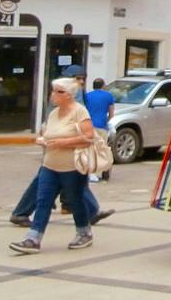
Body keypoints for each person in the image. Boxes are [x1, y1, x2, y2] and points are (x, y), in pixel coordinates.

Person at [10, 77, 96, 255]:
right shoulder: (53, 113)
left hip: (72, 167)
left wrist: (62, 143)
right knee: (43, 201)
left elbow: (88, 138)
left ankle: (84, 232)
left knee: (75, 200)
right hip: (49, 165)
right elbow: (47, 134)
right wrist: (43, 141)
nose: (54, 94)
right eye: (53, 90)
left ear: (70, 96)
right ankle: (33, 239)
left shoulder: (80, 112)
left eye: (59, 91)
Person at [84, 77, 115, 182]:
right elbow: (111, 113)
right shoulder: (108, 96)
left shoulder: (87, 96)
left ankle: (89, 172)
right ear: (103, 85)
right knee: (101, 151)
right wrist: (106, 121)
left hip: (88, 126)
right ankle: (100, 172)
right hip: (101, 126)